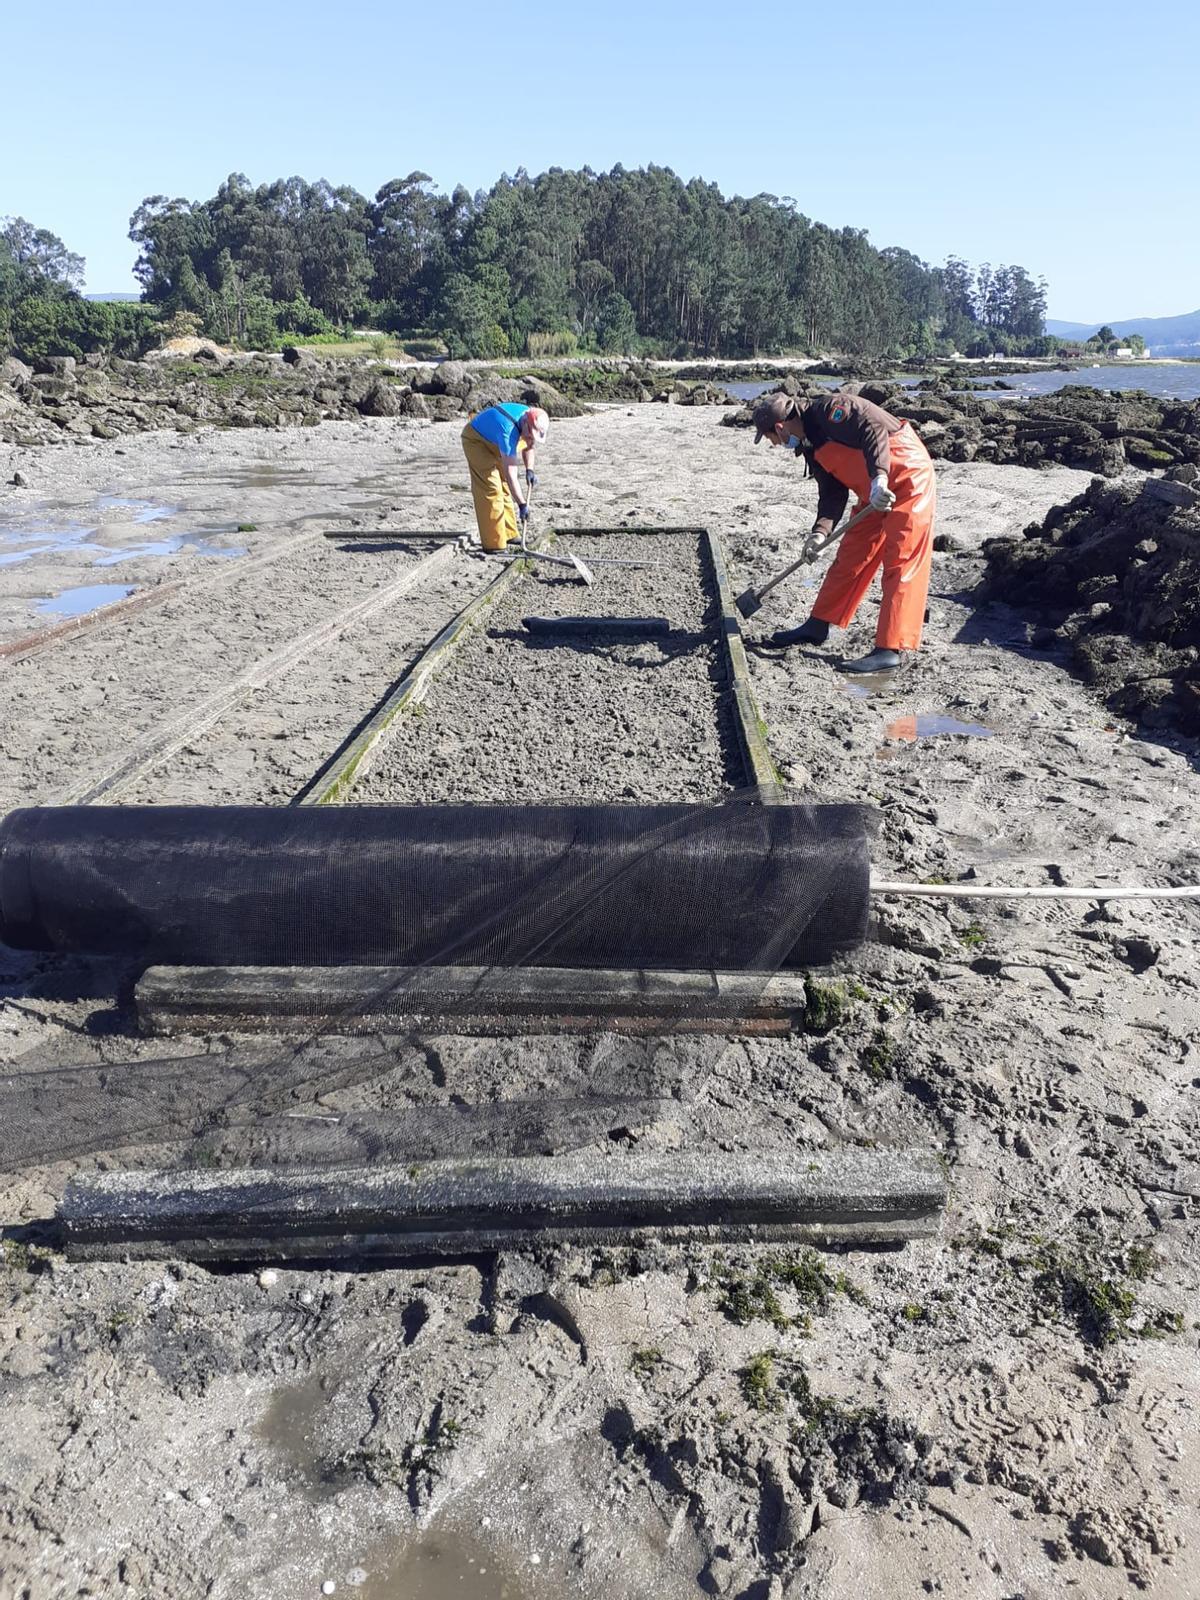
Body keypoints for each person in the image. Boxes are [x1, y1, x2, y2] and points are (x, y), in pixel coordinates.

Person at [751, 389, 936, 673]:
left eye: (771, 439)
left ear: (779, 427)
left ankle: (890, 648)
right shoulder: (810, 444)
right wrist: (819, 533)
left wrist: (879, 480)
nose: (776, 445)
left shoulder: (830, 411)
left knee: (901, 560)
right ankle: (817, 625)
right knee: (852, 554)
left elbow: (872, 430)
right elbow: (832, 493)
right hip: (873, 491)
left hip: (906, 475)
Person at [461, 403, 549, 551]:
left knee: (505, 486)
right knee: (491, 488)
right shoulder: (508, 431)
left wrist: (530, 470)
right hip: (476, 441)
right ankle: (493, 543)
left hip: (494, 440)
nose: (529, 437)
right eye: (529, 433)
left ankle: (509, 533)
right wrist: (522, 505)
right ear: (526, 423)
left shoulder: (528, 419)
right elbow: (511, 474)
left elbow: (529, 446)